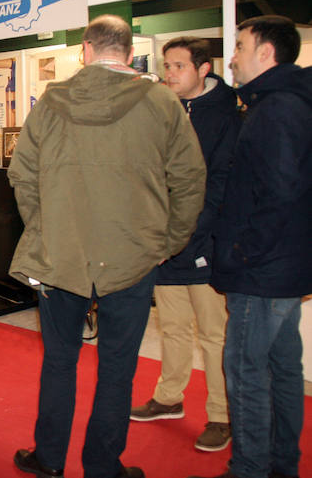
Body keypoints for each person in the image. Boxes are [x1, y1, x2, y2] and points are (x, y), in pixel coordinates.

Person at [8, 15, 206, 478]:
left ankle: (49, 460)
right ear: (130, 51)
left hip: (61, 258)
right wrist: (168, 241)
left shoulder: (52, 102)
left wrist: (45, 229)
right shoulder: (161, 102)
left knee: (59, 361)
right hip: (133, 258)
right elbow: (190, 178)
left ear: (86, 50)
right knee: (117, 367)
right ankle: (102, 465)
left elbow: (22, 176)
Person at [188, 16, 312, 478]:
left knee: (245, 374)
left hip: (262, 273)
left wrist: (242, 251)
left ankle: (251, 468)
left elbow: (279, 192)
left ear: (266, 53)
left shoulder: (278, 109)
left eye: (239, 46)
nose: (232, 57)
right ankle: (280, 466)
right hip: (282, 268)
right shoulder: (282, 104)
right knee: (281, 371)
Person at [130, 37, 241, 452]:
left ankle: (221, 415)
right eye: (167, 66)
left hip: (206, 244)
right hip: (165, 244)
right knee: (172, 327)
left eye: (178, 66)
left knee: (214, 335)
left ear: (203, 69)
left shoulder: (228, 116)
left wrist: (186, 238)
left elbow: (220, 187)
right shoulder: (162, 111)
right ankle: (168, 397)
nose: (170, 73)